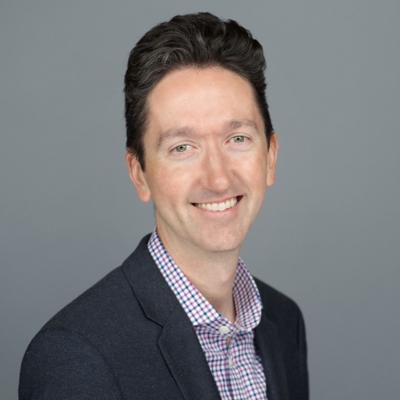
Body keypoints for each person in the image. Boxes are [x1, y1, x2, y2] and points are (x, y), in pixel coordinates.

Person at [19, 12, 309, 400]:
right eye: (182, 148)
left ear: (270, 157)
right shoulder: (76, 358)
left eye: (237, 139)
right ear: (139, 173)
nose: (218, 179)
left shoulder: (283, 323)